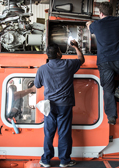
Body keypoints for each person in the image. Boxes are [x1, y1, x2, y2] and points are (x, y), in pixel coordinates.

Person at [24, 40, 84, 168]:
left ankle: (45, 160)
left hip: (49, 106)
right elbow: (81, 59)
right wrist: (76, 47)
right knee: (64, 133)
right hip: (65, 104)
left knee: (49, 133)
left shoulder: (43, 69)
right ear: (58, 53)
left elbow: (37, 85)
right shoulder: (68, 64)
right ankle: (64, 161)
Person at [86, 1, 119, 125]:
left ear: (100, 13)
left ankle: (111, 117)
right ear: (112, 12)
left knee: (107, 89)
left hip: (104, 60)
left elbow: (89, 28)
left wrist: (89, 23)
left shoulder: (96, 25)